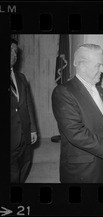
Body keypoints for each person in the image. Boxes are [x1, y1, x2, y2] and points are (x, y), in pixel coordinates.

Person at [52, 44, 103, 183]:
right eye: (98, 65)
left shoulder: (100, 91)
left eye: (102, 65)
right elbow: (75, 132)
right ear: (81, 65)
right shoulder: (64, 92)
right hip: (84, 169)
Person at [10, 39, 38, 183]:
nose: (13, 54)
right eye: (10, 50)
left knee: (24, 169)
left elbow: (28, 105)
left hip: (25, 137)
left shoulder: (21, 77)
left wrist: (33, 129)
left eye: (15, 51)